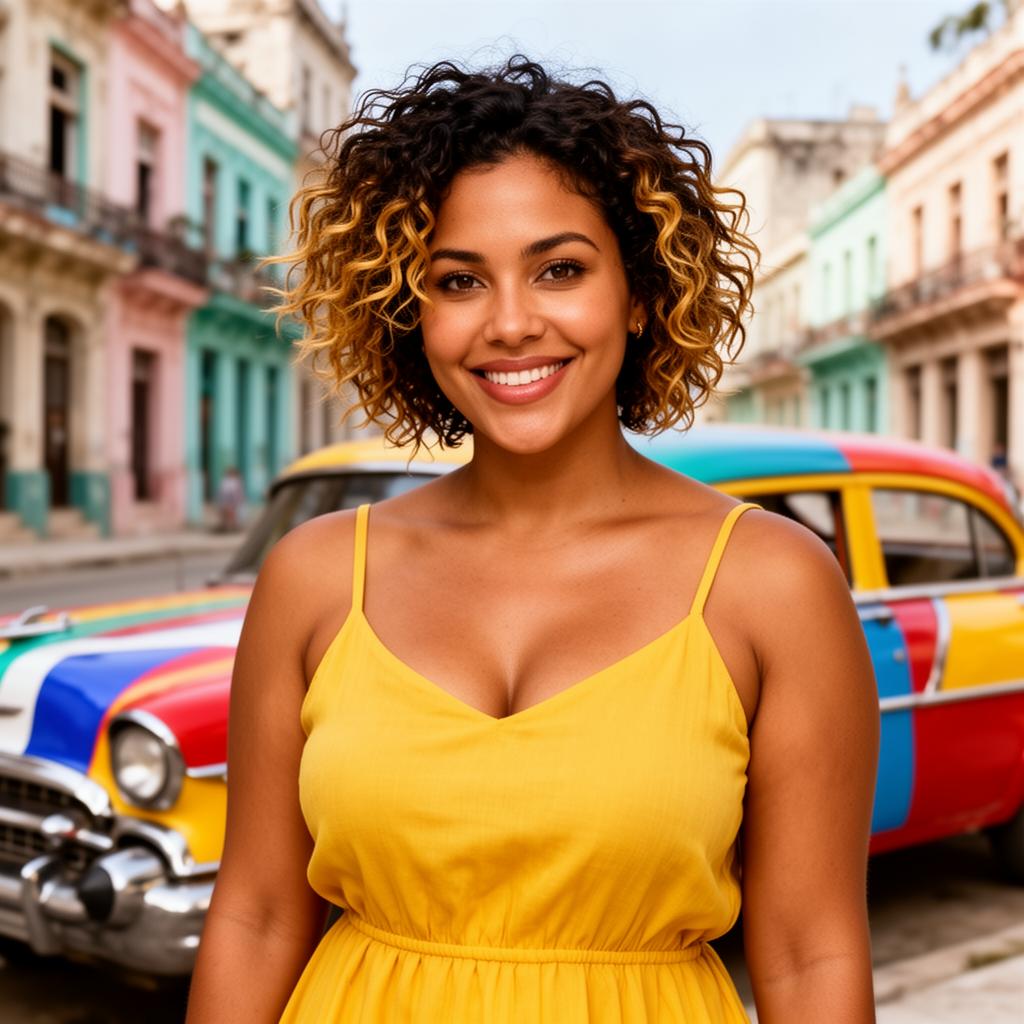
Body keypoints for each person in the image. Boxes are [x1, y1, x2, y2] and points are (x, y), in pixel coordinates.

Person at [185, 57, 879, 1023]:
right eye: (459, 281)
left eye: (560, 269)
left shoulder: (772, 583)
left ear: (639, 295)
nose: (511, 324)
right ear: (410, 315)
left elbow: (812, 956)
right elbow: (257, 917)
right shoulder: (312, 575)